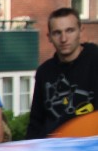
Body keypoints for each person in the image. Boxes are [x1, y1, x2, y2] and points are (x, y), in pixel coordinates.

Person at [26, 7, 98, 139]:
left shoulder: (94, 60)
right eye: (57, 33)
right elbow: (36, 121)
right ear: (49, 37)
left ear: (81, 31)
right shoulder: (44, 72)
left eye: (70, 30)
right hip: (54, 146)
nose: (64, 38)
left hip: (90, 144)